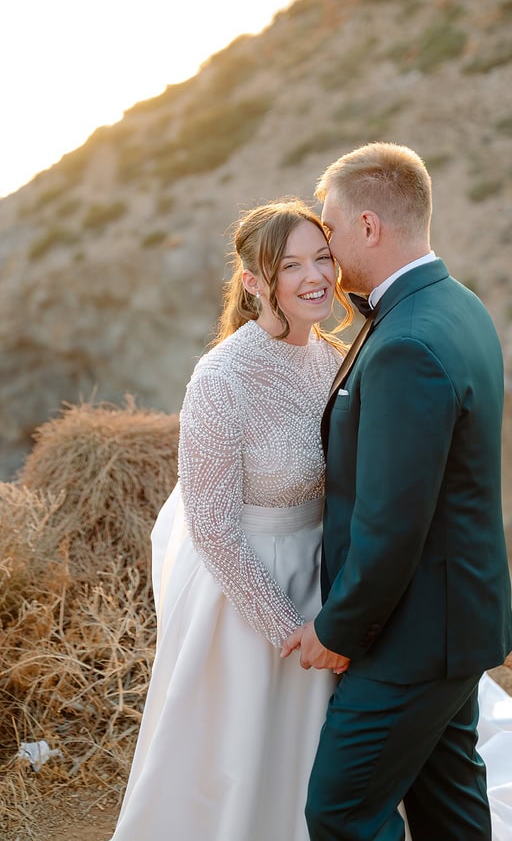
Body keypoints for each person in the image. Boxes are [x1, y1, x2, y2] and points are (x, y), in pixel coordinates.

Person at [282, 142, 512, 840]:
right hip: (455, 623)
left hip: (411, 640)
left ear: (369, 226)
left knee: (343, 811)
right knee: (450, 807)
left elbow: (391, 522)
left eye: (330, 226)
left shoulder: (408, 341)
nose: (325, 244)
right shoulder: (456, 304)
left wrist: (337, 627)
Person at [111, 199, 352, 841]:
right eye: (291, 264)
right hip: (244, 589)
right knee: (236, 755)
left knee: (304, 757)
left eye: (323, 257)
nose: (314, 277)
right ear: (253, 283)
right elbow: (213, 525)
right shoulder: (221, 378)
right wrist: (288, 629)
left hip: (319, 572)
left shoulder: (332, 360)